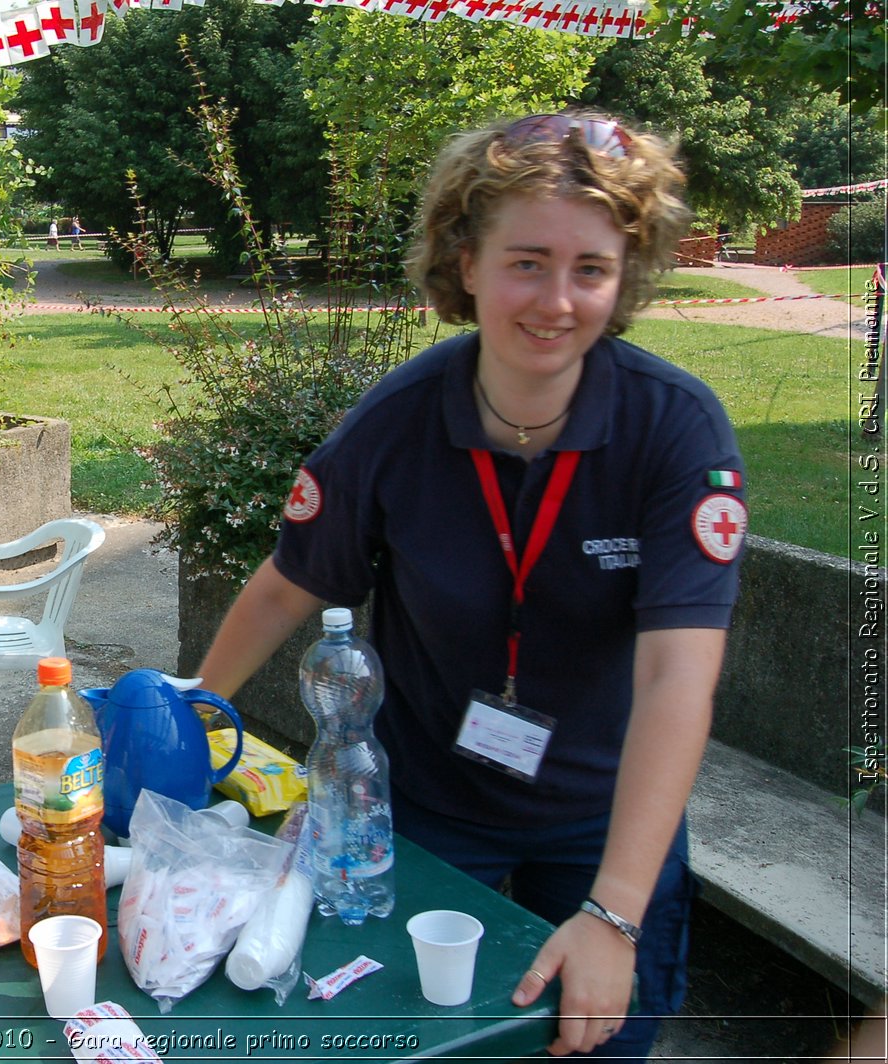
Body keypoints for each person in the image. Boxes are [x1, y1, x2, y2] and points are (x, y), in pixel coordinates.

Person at [198, 112, 745, 1059]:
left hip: (602, 819)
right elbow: (293, 581)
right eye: (526, 261)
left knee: (596, 1042)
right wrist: (191, 714)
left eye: (591, 270)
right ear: (465, 261)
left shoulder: (677, 431)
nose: (557, 301)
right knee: (405, 1038)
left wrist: (612, 917)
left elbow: (676, 681)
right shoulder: (397, 422)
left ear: (627, 277)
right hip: (425, 808)